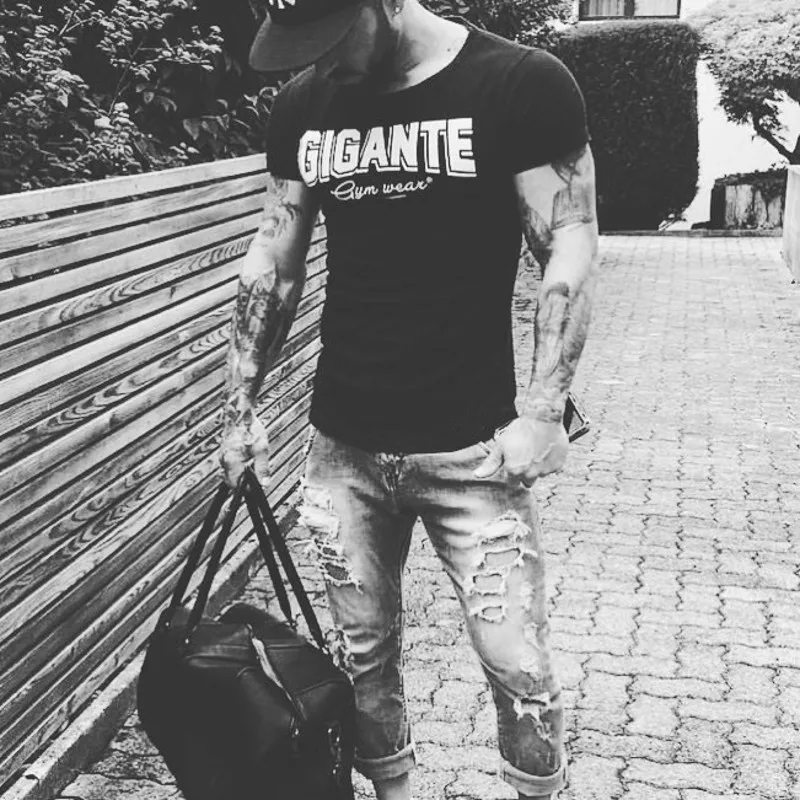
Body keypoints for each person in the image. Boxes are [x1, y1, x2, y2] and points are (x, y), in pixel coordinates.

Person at [219, 0, 599, 797]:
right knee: (361, 661)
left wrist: (542, 412)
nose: (320, 62)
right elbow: (275, 259)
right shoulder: (305, 105)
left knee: (518, 665)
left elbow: (566, 237)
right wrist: (239, 409)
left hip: (475, 447)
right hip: (343, 449)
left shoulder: (520, 82)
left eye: (332, 39)